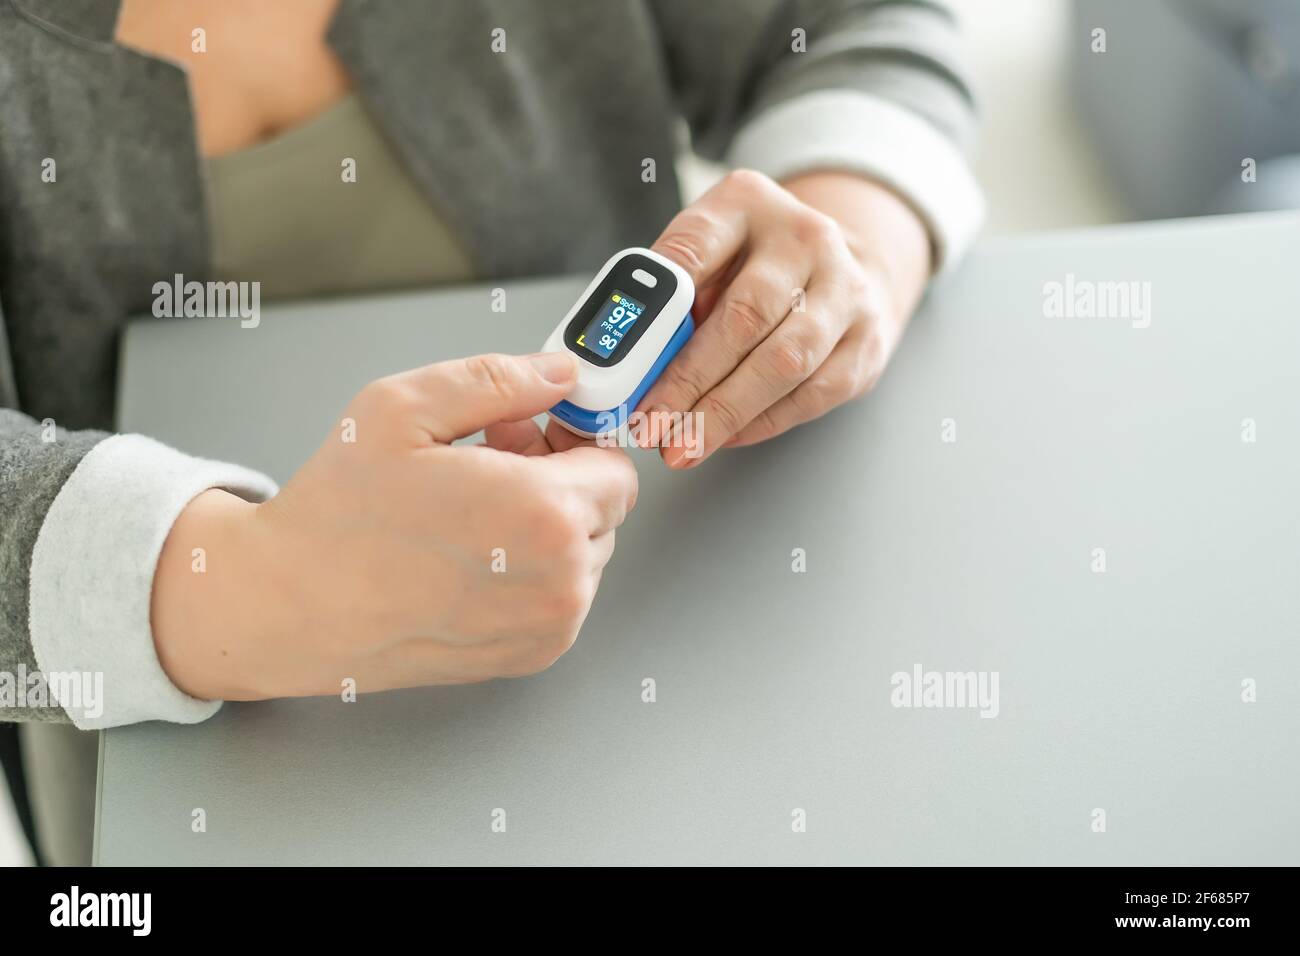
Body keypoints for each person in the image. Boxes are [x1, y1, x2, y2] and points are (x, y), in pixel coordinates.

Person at [0, 0, 983, 864]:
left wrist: (841, 262)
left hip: (659, 672)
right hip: (154, 767)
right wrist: (235, 585)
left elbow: (857, 24)